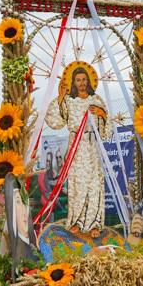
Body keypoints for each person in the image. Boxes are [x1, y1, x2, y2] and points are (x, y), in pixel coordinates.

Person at [45, 63, 110, 236]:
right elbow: (55, 122)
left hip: (92, 144)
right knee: (77, 184)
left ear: (89, 81)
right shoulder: (68, 100)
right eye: (78, 80)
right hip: (76, 145)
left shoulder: (96, 100)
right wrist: (60, 97)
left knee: (95, 185)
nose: (81, 83)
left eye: (84, 79)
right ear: (73, 83)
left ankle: (95, 223)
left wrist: (101, 114)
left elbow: (107, 129)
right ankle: (77, 222)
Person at [3, 173, 39, 281]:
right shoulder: (17, 248)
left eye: (24, 203)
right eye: (18, 202)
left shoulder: (33, 248)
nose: (23, 212)